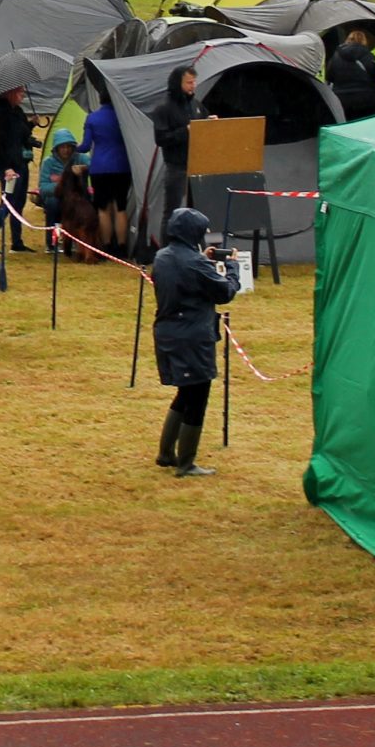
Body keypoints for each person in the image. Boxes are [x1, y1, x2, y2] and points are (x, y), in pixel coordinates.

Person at [150, 206, 237, 477]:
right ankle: (186, 463)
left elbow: (185, 274)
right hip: (192, 337)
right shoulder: (195, 264)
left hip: (168, 332)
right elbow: (225, 292)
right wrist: (232, 267)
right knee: (197, 396)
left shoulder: (162, 256)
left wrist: (202, 258)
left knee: (185, 392)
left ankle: (166, 453)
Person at [148, 64, 203, 243]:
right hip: (176, 166)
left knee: (197, 212)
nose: (193, 86)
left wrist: (210, 123)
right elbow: (161, 139)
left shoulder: (195, 105)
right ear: (178, 83)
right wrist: (185, 131)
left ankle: (195, 248)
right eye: (189, 82)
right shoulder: (164, 108)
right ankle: (167, 250)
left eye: (194, 82)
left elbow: (202, 124)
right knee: (172, 211)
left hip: (198, 166)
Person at [0, 86, 35, 254]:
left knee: (20, 202)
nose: (23, 95)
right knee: (8, 203)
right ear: (9, 93)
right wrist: (6, 167)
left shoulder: (18, 112)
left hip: (21, 163)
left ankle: (17, 242)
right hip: (8, 167)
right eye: (20, 92)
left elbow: (22, 135)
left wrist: (31, 124)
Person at [37, 128, 97, 258]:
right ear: (56, 148)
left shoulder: (81, 158)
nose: (66, 150)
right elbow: (43, 188)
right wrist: (63, 184)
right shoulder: (48, 163)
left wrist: (84, 168)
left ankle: (82, 242)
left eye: (69, 146)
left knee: (85, 207)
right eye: (62, 147)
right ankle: (52, 243)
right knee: (53, 205)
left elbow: (94, 167)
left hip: (78, 199)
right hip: (58, 199)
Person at [83, 96, 131, 257]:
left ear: (100, 99)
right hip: (122, 166)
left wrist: (74, 148)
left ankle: (106, 247)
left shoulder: (92, 118)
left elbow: (85, 146)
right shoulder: (123, 116)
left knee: (103, 209)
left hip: (99, 168)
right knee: (120, 208)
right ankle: (122, 247)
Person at [328, 24, 375, 122]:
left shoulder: (335, 56)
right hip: (368, 99)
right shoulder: (369, 56)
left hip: (341, 100)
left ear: (347, 40)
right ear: (364, 41)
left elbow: (329, 77)